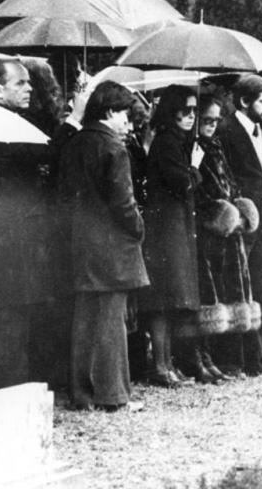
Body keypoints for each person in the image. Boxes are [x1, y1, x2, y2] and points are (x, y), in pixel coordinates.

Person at [59, 81, 148, 411]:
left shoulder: (75, 142)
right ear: (110, 112)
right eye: (125, 115)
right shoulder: (114, 148)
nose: (128, 123)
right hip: (112, 247)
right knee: (111, 322)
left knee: (84, 321)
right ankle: (113, 396)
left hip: (81, 243)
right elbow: (123, 203)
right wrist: (138, 228)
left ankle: (82, 394)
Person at [0, 60, 55, 396]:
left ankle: (5, 380)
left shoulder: (11, 125)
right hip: (2, 239)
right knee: (6, 312)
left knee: (11, 312)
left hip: (10, 238)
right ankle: (5, 383)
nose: (29, 88)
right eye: (20, 83)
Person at [142, 85, 204, 387]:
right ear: (171, 112)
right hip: (166, 230)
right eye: (185, 110)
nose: (191, 116)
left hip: (173, 227)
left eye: (194, 110)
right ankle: (161, 366)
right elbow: (182, 183)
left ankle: (166, 364)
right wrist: (195, 166)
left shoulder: (175, 141)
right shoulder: (168, 142)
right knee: (163, 299)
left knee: (169, 299)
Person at [217, 74, 262, 376]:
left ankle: (257, 359)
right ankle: (233, 359)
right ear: (243, 101)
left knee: (259, 292)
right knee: (236, 289)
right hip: (241, 223)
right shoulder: (226, 130)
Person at [192, 94, 240, 382]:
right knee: (205, 292)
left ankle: (212, 354)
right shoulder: (193, 147)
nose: (211, 125)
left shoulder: (217, 146)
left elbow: (229, 182)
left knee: (220, 290)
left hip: (225, 230)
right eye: (206, 120)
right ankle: (198, 355)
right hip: (204, 228)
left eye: (215, 120)